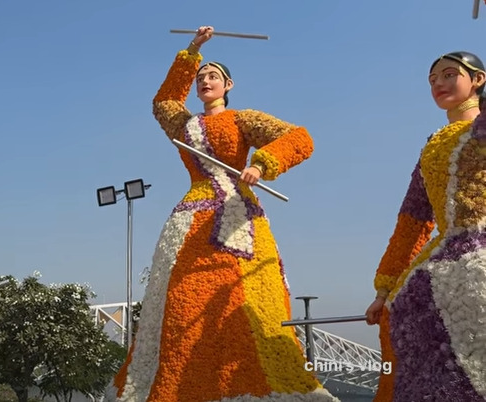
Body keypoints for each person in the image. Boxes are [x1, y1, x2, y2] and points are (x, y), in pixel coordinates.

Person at [109, 26, 338, 402]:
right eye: (201, 78)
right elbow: (164, 101)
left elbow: (300, 138)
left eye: (213, 76)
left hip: (238, 217)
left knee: (245, 304)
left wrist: (263, 165)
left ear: (229, 84)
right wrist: (193, 50)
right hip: (189, 221)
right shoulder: (186, 125)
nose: (205, 82)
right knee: (182, 304)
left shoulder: (242, 119)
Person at [364, 52, 486, 401]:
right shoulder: (432, 146)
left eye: (450, 75)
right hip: (443, 255)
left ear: (478, 79)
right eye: (433, 79)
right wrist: (385, 288)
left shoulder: (482, 130)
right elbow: (411, 222)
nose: (439, 84)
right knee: (406, 306)